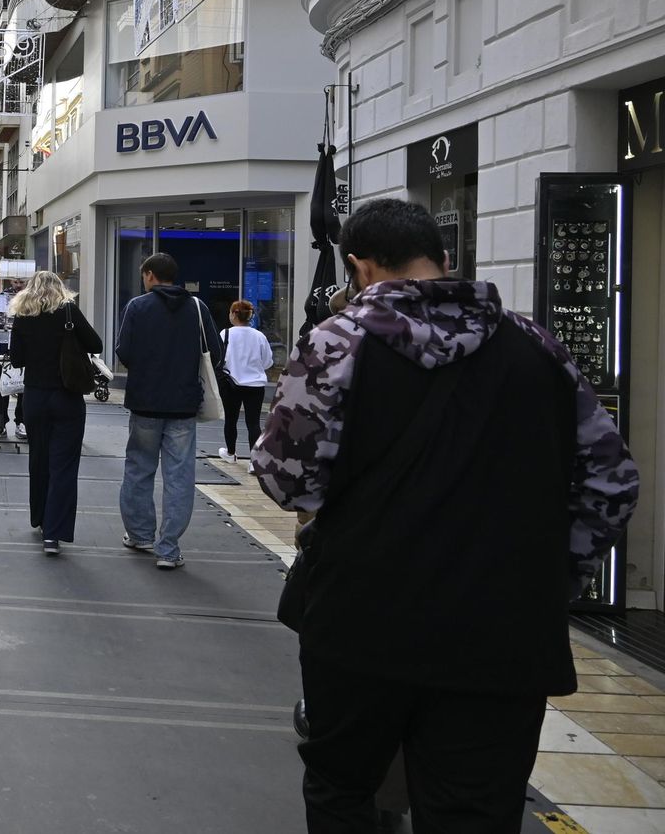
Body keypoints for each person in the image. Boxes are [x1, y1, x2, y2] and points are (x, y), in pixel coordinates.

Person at [253, 198, 639, 832]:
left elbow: (283, 477)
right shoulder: (536, 344)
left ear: (361, 267)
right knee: (476, 808)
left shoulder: (339, 343)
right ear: (447, 260)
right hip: (503, 627)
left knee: (344, 789)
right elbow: (612, 482)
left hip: (362, 616)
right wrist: (553, 573)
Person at [115, 252, 223, 570]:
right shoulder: (197, 308)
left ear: (150, 275)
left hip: (145, 402)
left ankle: (139, 534)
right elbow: (214, 352)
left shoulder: (137, 307)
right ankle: (169, 548)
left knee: (139, 468)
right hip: (184, 405)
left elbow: (124, 351)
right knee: (179, 476)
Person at [8, 270, 101, 555]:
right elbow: (95, 344)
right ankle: (54, 534)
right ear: (60, 288)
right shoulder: (68, 311)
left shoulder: (23, 316)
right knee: (64, 465)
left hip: (35, 397)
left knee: (39, 458)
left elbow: (16, 358)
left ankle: (39, 516)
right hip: (67, 396)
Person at [219, 299, 273, 463]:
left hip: (231, 383)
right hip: (255, 385)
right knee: (253, 422)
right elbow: (268, 361)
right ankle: (253, 461)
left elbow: (221, 358)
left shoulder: (225, 333)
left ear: (234, 314)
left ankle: (230, 453)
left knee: (231, 419)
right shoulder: (259, 336)